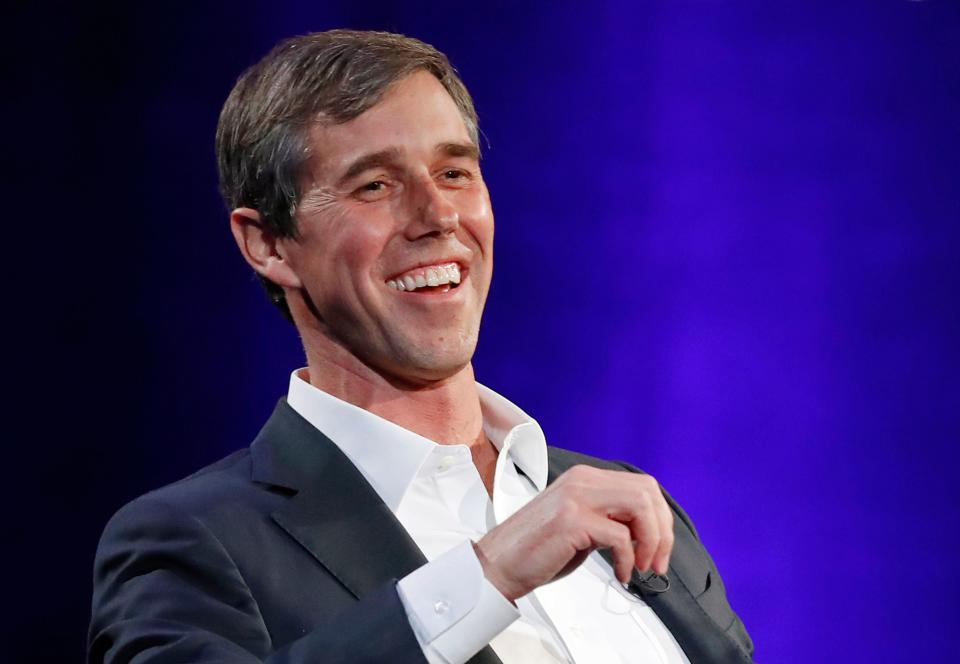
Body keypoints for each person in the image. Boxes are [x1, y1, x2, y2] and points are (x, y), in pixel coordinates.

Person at [89, 29, 754, 664]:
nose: (438, 216)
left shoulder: (631, 502)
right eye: (374, 185)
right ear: (268, 244)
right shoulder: (195, 543)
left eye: (455, 172)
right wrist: (488, 573)